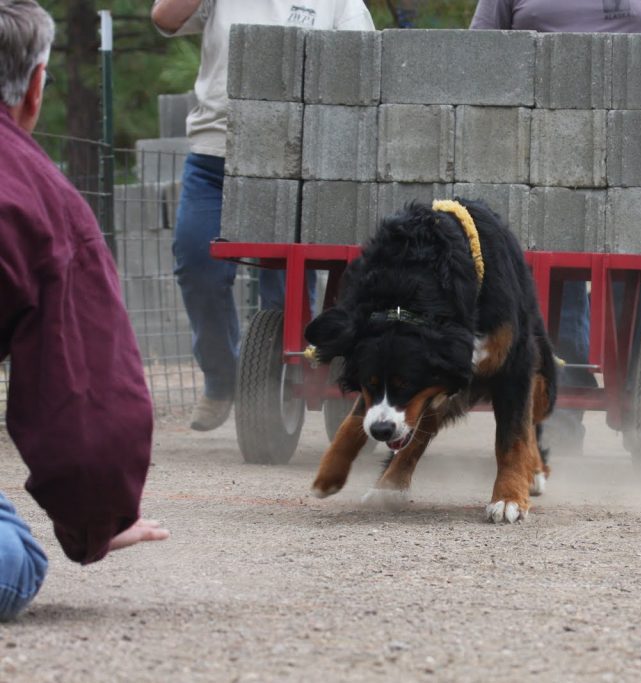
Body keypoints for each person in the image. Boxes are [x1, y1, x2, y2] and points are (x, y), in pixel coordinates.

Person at [470, 0, 641, 454]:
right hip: (535, 154)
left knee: (635, 278)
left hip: (639, 156)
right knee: (556, 287)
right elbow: (482, 55)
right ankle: (558, 416)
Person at [0, 0, 168, 621]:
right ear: (36, 85)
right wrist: (99, 517)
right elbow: (86, 392)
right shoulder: (40, 200)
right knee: (13, 561)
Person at [151, 0, 376, 431]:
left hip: (298, 156)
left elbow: (362, 64)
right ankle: (221, 378)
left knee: (288, 281)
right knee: (196, 261)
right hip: (218, 152)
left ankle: (274, 394)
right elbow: (165, 17)